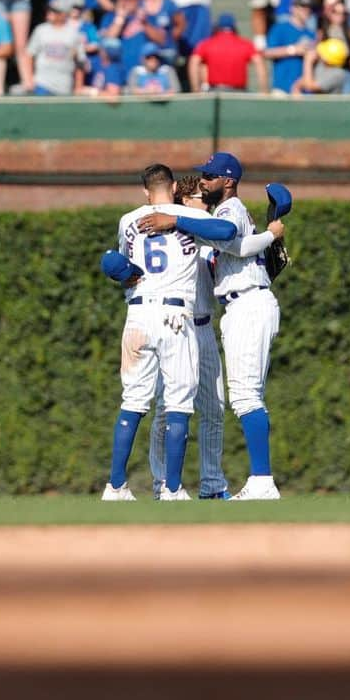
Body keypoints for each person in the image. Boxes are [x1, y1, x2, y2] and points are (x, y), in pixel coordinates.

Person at [136, 152, 286, 501]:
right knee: (239, 397)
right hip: (238, 305)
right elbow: (240, 245)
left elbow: (230, 234)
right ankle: (242, 481)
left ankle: (262, 480)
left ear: (227, 181)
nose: (203, 181)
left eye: (210, 176)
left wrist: (175, 220)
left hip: (247, 302)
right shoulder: (221, 212)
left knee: (245, 396)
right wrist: (270, 234)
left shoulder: (228, 210)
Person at [100, 163, 239, 501]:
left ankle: (115, 486)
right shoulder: (184, 215)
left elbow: (120, 263)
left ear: (145, 192)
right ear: (175, 186)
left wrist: (125, 271)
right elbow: (227, 231)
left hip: (138, 315)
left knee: (133, 400)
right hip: (175, 316)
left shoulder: (128, 220)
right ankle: (173, 488)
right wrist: (178, 220)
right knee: (178, 404)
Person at [144, 171, 233, 499]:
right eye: (200, 198)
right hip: (174, 327)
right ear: (182, 202)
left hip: (204, 327)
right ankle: (162, 483)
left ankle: (211, 483)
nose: (206, 204)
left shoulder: (206, 233)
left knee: (213, 408)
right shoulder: (171, 235)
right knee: (166, 409)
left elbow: (227, 234)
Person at [189, 13, 268, 91]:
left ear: (218, 28)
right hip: (239, 93)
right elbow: (259, 63)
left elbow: (194, 62)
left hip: (215, 92)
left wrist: (195, 89)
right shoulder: (245, 45)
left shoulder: (206, 44)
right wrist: (264, 90)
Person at [25, 0, 86, 95]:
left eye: (54, 11)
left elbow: (80, 61)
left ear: (63, 14)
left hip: (64, 86)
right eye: (49, 10)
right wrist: (29, 79)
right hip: (42, 83)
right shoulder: (41, 30)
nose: (50, 13)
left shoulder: (74, 34)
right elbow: (29, 55)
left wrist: (78, 86)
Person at [265, 0, 317, 92]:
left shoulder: (311, 33)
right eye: (303, 7)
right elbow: (267, 52)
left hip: (303, 91)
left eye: (309, 8)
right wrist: (293, 49)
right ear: (293, 8)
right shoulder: (280, 28)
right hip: (282, 87)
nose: (307, 11)